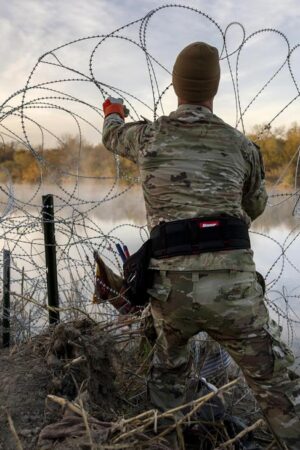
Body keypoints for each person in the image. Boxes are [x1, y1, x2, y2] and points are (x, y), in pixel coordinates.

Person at [101, 42, 300, 449]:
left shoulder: (148, 136)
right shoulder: (242, 146)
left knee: (168, 372)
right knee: (276, 382)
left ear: (175, 85)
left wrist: (113, 112)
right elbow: (255, 204)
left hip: (170, 289)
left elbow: (111, 137)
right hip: (234, 292)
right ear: (215, 88)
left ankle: (169, 436)